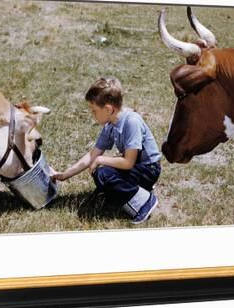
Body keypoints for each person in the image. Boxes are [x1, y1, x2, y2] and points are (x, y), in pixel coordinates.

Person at [51, 77, 162, 224]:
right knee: (100, 174)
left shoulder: (131, 122)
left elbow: (128, 163)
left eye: (94, 111)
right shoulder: (110, 124)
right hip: (136, 167)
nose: (93, 115)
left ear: (108, 109)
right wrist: (65, 175)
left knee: (104, 174)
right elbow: (93, 155)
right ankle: (135, 189)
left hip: (148, 169)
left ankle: (145, 202)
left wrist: (100, 160)